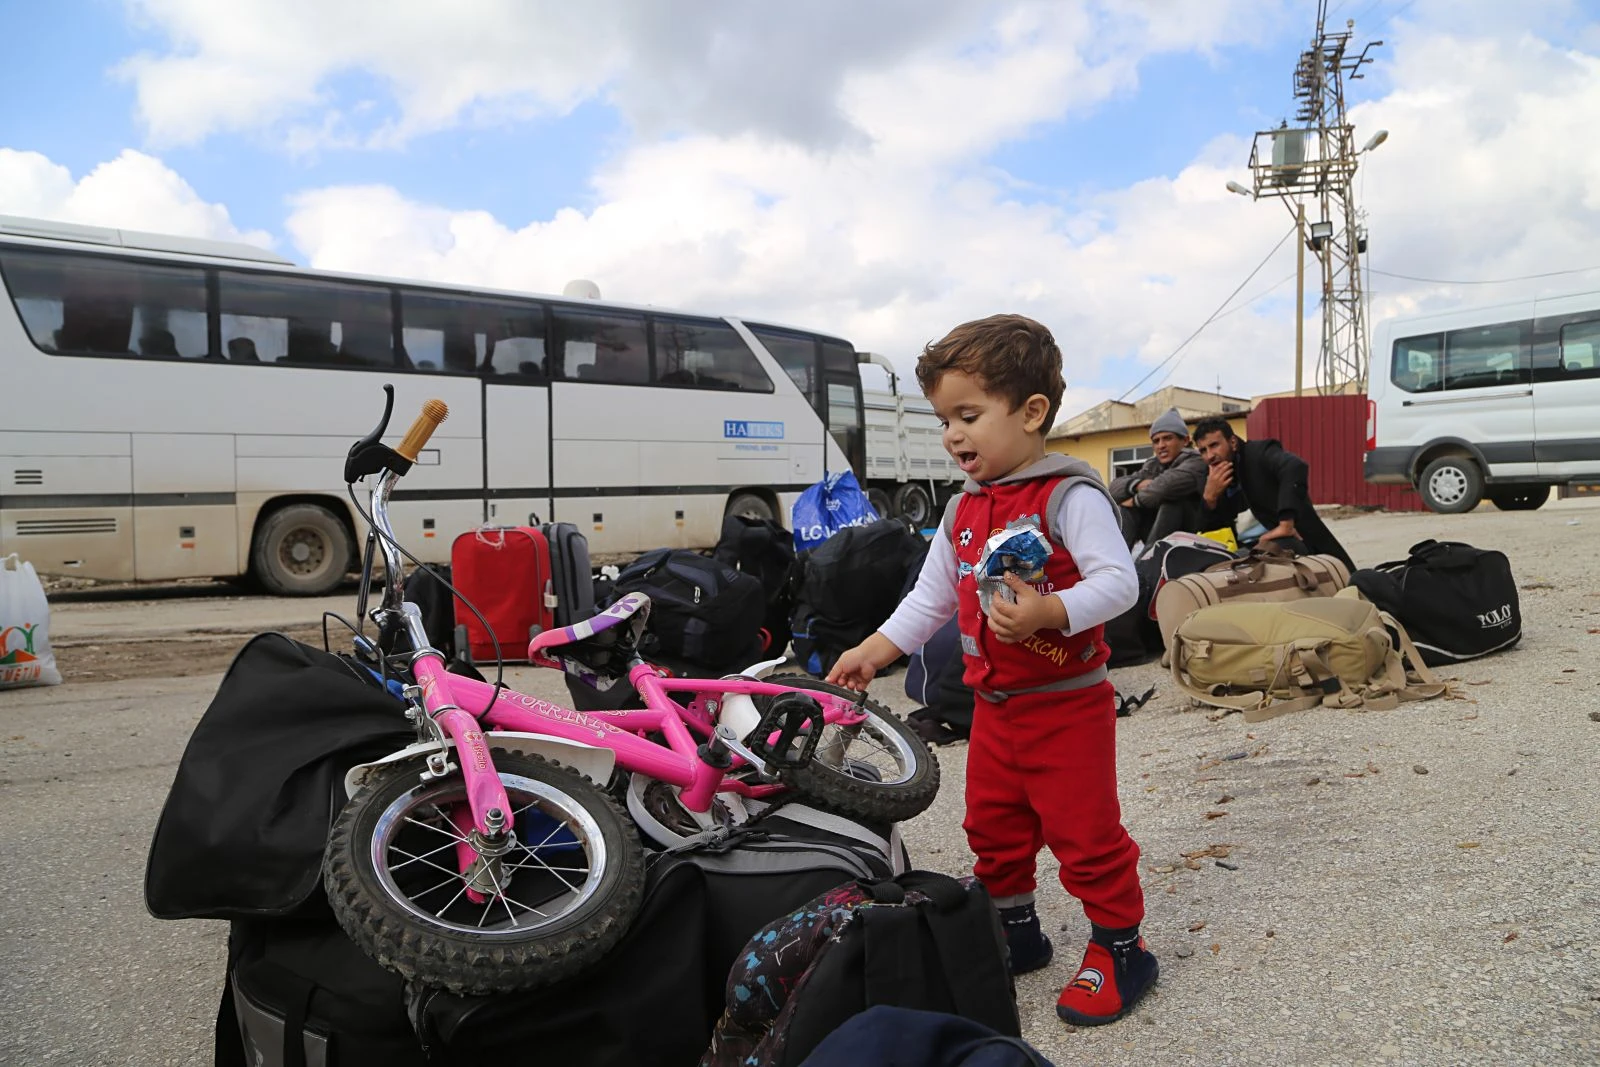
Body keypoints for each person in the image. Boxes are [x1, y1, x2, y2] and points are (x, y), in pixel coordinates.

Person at [827, 314, 1158, 1028]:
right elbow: (931, 596)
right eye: (945, 418)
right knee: (993, 828)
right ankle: (1016, 932)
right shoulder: (962, 510)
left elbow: (1120, 583)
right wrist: (876, 648)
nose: (952, 435)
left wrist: (1050, 612)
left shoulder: (1069, 494)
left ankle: (1120, 945)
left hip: (1067, 706)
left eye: (968, 415)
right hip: (995, 709)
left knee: (1085, 833)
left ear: (1032, 411)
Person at [1191, 417, 1356, 570]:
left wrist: (1286, 524)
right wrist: (1209, 499)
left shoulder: (1258, 454)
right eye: (1203, 450)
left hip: (1292, 544)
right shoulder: (1210, 481)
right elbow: (1207, 535)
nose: (1210, 456)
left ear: (1233, 442)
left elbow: (1294, 466)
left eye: (1214, 445)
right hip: (1245, 551)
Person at [1107, 408, 1208, 549]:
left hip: (1195, 534)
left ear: (1185, 440)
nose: (1161, 445)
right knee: (1125, 509)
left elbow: (1165, 487)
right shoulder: (1153, 465)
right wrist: (1137, 485)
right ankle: (1117, 560)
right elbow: (1112, 489)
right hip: (1157, 533)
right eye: (1156, 441)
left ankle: (1148, 563)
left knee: (1171, 501)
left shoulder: (1196, 460)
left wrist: (1136, 500)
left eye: (1167, 438)